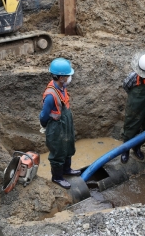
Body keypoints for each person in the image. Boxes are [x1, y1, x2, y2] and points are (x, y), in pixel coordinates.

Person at [39, 58, 81, 189]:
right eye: (68, 75)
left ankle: (66, 169)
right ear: (61, 77)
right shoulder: (51, 95)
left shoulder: (62, 87)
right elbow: (44, 115)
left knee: (68, 146)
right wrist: (44, 126)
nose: (70, 78)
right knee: (58, 152)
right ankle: (57, 177)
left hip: (66, 124)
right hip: (56, 128)